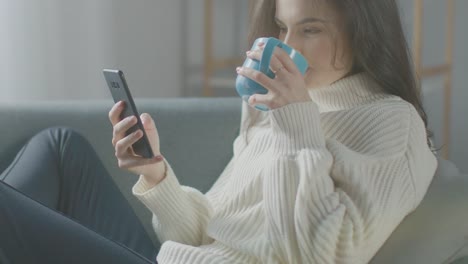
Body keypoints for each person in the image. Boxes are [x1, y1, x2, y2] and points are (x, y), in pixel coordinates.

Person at [0, 0, 437, 263]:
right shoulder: (275, 107)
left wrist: (298, 125)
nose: (290, 46)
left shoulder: (391, 123)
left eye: (311, 29)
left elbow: (321, 255)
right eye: (283, 28)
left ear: (363, 32)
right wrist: (155, 174)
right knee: (59, 146)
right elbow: (206, 232)